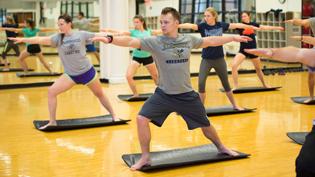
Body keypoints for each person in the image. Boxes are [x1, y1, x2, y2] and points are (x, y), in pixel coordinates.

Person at [92, 7, 252, 171]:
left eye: (166, 22)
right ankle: (145, 156)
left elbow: (211, 41)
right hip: (164, 95)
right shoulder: (155, 41)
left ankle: (221, 147)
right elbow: (130, 42)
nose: (162, 25)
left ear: (177, 23)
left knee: (205, 124)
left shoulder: (188, 40)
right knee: (141, 119)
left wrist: (233, 37)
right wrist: (110, 39)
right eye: (161, 22)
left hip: (187, 95)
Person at [9, 14, 118, 129]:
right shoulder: (57, 38)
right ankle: (52, 122)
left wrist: (115, 35)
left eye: (61, 24)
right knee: (51, 92)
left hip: (87, 72)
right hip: (70, 75)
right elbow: (40, 39)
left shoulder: (81, 34)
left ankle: (114, 115)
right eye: (58, 24)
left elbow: (98, 34)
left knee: (99, 94)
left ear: (69, 24)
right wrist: (23, 39)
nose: (59, 26)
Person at [178, 7, 258, 110]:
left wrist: (250, 26)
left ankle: (235, 105)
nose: (206, 18)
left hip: (219, 59)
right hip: (206, 60)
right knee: (201, 83)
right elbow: (191, 26)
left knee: (226, 84)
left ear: (214, 16)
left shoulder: (220, 25)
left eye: (208, 16)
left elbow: (236, 25)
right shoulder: (202, 26)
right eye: (205, 16)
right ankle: (201, 109)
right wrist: (178, 25)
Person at [102, 15, 160, 97]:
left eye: (137, 22)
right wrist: (108, 30)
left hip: (148, 57)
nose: (135, 24)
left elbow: (160, 31)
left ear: (142, 22)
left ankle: (161, 93)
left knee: (156, 76)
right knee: (128, 76)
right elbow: (120, 32)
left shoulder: (149, 31)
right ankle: (135, 94)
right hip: (137, 57)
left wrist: (174, 27)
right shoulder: (133, 32)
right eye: (134, 22)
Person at [231, 11, 284, 89]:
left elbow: (264, 27)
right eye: (242, 17)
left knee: (258, 69)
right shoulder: (240, 26)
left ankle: (264, 84)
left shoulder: (253, 24)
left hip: (254, 51)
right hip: (243, 50)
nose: (243, 18)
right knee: (234, 66)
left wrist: (277, 28)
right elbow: (231, 26)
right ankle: (235, 86)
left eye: (245, 16)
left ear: (249, 16)